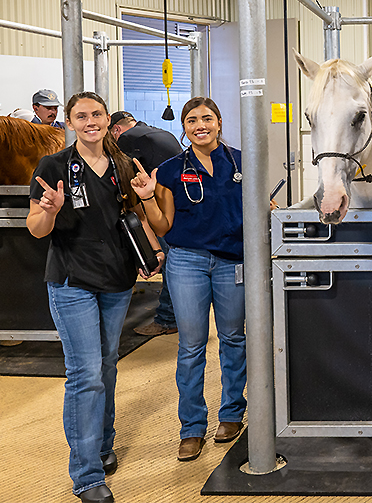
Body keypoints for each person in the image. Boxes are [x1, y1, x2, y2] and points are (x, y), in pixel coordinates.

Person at [27, 92, 164, 503]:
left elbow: (134, 218)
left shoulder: (122, 165)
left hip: (118, 280)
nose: (91, 121)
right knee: (85, 374)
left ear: (109, 120)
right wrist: (49, 210)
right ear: (69, 122)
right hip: (72, 281)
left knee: (106, 368)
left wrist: (153, 245)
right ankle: (87, 475)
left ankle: (102, 447)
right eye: (81, 115)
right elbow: (36, 227)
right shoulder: (52, 167)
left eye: (98, 114)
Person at [130, 97, 247, 462]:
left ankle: (231, 414)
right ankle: (192, 427)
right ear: (184, 126)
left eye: (207, 118)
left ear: (219, 121)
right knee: (192, 346)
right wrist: (148, 198)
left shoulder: (243, 161)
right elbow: (162, 224)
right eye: (192, 120)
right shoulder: (168, 170)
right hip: (187, 263)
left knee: (233, 338)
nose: (200, 125)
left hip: (233, 262)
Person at [109, 110, 182, 336]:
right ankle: (176, 317)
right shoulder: (161, 133)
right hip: (179, 204)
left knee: (169, 262)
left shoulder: (128, 139)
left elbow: (123, 178)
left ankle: (167, 319)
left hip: (160, 208)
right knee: (175, 262)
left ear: (116, 130)